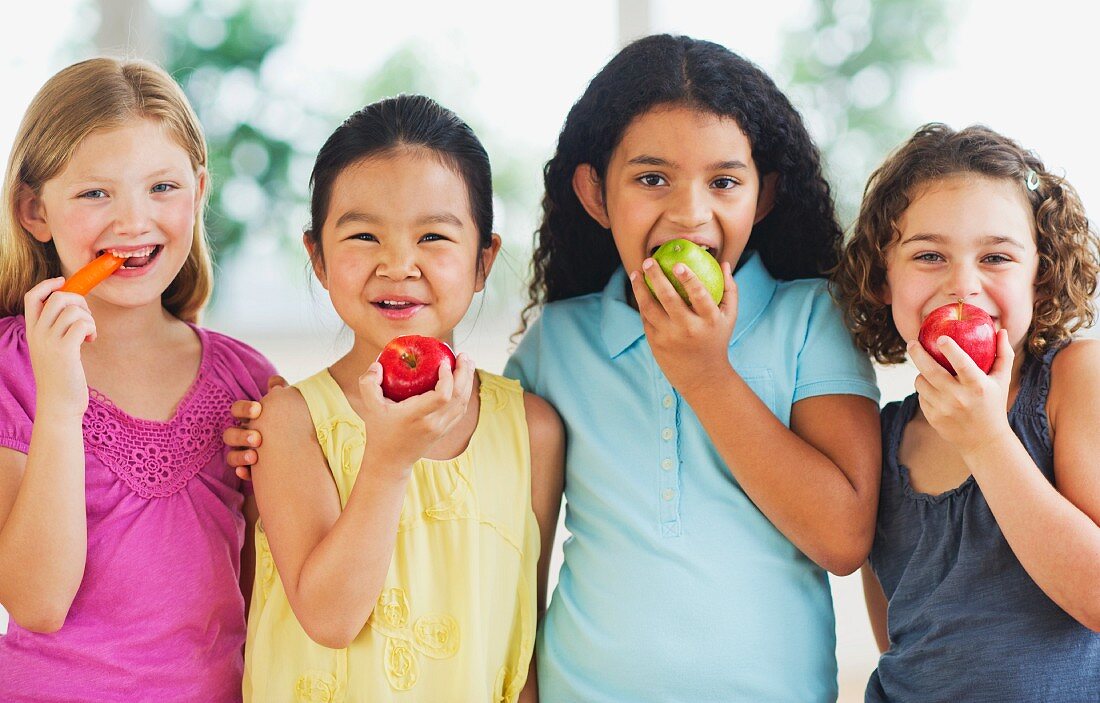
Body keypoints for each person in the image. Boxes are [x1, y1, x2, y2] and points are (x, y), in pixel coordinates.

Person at [505, 34, 880, 701]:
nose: (689, 212)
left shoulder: (811, 319)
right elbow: (513, 563)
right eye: (652, 179)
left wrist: (705, 374)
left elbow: (843, 536)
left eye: (725, 181)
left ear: (763, 195)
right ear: (595, 194)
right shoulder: (554, 344)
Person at [240, 95, 564, 703]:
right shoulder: (290, 422)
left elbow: (523, 643)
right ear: (317, 256)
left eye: (434, 236)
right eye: (364, 235)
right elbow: (329, 618)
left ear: (482, 261)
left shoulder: (531, 430)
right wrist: (388, 459)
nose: (398, 263)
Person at [0, 58, 275, 701]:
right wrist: (62, 405)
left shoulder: (252, 386)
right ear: (36, 211)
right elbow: (37, 601)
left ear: (200, 190)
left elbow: (271, 599)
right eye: (96, 193)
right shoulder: (10, 371)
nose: (132, 222)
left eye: (162, 188)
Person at [832, 123, 1100, 701]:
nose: (963, 287)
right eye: (929, 255)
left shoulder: (1076, 381)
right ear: (883, 279)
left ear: (1043, 278)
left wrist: (986, 440)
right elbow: (898, 634)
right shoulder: (884, 438)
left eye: (996, 257)